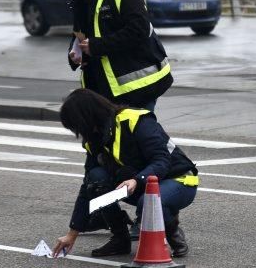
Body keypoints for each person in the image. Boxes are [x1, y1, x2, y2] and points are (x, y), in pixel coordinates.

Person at [51, 88, 198, 258]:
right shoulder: (95, 138)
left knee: (148, 201)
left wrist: (137, 180)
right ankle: (120, 239)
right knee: (96, 179)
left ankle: (171, 229)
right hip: (138, 184)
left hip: (178, 179)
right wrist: (72, 233)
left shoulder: (136, 120)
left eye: (78, 126)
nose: (79, 132)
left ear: (88, 117)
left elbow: (161, 160)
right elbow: (87, 187)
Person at [62, 0, 173, 113]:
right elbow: (79, 35)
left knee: (137, 135)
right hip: (101, 90)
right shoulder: (80, 0)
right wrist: (74, 55)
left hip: (137, 88)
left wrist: (97, 46)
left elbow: (139, 31)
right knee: (108, 137)